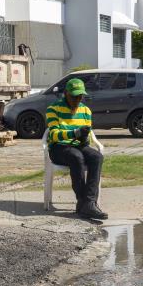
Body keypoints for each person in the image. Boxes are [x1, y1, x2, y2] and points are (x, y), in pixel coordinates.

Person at [46, 78, 107, 220]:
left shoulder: (86, 110)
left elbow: (86, 140)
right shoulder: (53, 109)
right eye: (74, 96)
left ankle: (89, 202)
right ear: (66, 93)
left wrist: (84, 136)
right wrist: (74, 133)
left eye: (80, 96)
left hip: (79, 146)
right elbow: (54, 135)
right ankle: (84, 202)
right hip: (58, 148)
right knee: (76, 156)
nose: (78, 99)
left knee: (97, 157)